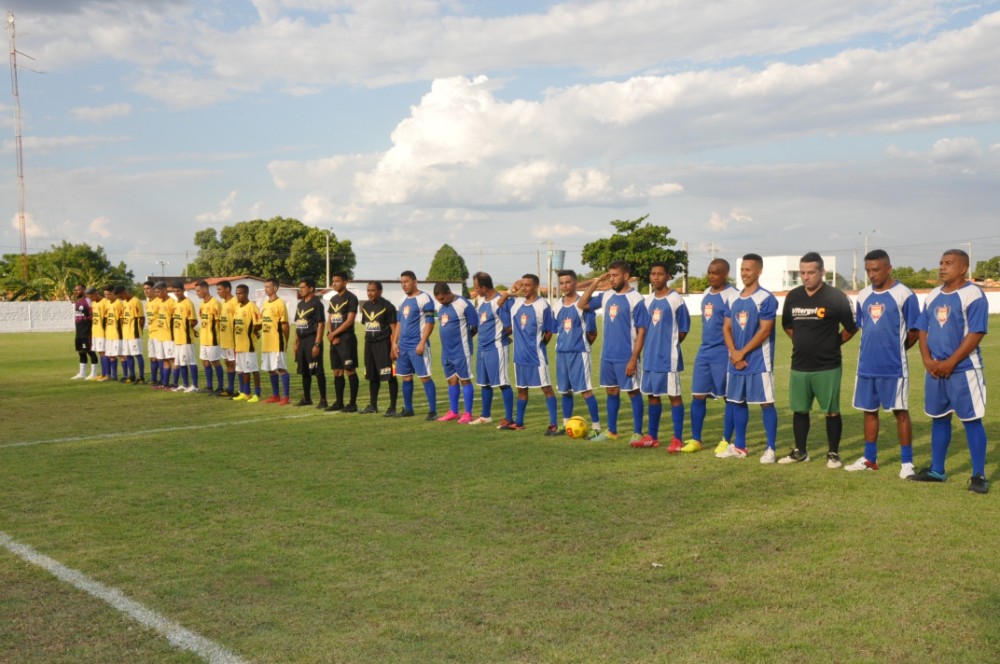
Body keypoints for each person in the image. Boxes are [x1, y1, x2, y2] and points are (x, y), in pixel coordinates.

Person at [910, 249, 990, 494]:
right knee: (939, 417)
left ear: (963, 268)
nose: (942, 267)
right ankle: (937, 470)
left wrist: (951, 362)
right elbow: (923, 329)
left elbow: (975, 333)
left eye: (949, 263)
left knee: (971, 420)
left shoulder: (973, 294)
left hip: (964, 369)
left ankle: (978, 475)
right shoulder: (933, 295)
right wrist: (927, 359)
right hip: (935, 369)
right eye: (941, 263)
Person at [779, 252, 858, 467]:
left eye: (811, 272)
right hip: (799, 364)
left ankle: (833, 453)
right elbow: (787, 325)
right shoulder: (793, 296)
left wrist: (833, 343)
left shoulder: (835, 296)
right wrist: (801, 342)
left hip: (828, 365)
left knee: (831, 411)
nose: (806, 277)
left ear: (822, 272)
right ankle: (800, 451)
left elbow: (851, 327)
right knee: (800, 409)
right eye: (802, 272)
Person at [847, 249, 920, 478]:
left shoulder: (904, 294)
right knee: (869, 412)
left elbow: (915, 331)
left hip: (894, 367)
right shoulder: (863, 295)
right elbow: (862, 326)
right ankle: (870, 459)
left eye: (876, 269)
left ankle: (907, 463)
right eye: (868, 270)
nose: (872, 274)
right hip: (866, 367)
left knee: (900, 412)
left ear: (889, 268)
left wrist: (896, 349)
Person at [578, 261, 648, 443]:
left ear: (625, 276)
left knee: (633, 392)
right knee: (611, 391)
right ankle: (612, 431)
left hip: (626, 355)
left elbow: (642, 331)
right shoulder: (606, 295)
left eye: (615, 275)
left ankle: (637, 432)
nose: (611, 279)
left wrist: (634, 359)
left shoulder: (636, 299)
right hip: (607, 355)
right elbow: (582, 303)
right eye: (609, 275)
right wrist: (595, 283)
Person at [719, 254, 779, 461]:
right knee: (736, 401)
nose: (744, 273)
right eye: (742, 269)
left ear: (759, 271)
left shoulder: (766, 298)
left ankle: (771, 449)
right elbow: (726, 327)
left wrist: (742, 353)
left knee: (766, 403)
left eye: (749, 270)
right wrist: (734, 354)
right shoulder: (733, 298)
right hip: (735, 360)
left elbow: (764, 331)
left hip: (759, 361)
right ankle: (740, 446)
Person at [683, 259, 739, 453]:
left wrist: (734, 352)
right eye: (709, 272)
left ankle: (726, 440)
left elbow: (734, 327)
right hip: (704, 351)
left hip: (723, 353)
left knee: (728, 397)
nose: (711, 276)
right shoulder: (706, 293)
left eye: (715, 273)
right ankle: (696, 439)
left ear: (726, 274)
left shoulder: (732, 295)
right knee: (697, 395)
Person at [635, 262, 690, 449]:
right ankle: (652, 436)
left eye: (660, 274)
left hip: (668, 359)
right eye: (653, 273)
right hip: (649, 357)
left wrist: (670, 345)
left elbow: (683, 329)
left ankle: (677, 438)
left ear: (668, 276)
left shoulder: (676, 299)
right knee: (652, 396)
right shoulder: (647, 301)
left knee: (674, 396)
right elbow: (642, 329)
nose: (656, 277)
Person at [500, 274, 558, 433]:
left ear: (536, 287)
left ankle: (553, 424)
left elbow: (549, 331)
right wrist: (512, 289)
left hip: (536, 356)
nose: (524, 288)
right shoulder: (517, 304)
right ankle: (519, 422)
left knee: (546, 388)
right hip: (519, 357)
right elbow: (500, 302)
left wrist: (540, 345)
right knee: (521, 389)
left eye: (527, 285)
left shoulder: (543, 306)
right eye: (522, 285)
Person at [553, 270, 601, 437]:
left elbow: (592, 332)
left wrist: (582, 345)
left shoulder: (584, 304)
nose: (565, 286)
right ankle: (565, 424)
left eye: (568, 282)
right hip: (561, 353)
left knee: (585, 390)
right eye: (562, 283)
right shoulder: (557, 305)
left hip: (579, 353)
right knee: (565, 391)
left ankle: (596, 427)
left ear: (575, 283)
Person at [391, 270, 439, 419]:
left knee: (424, 377)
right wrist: (394, 342)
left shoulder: (425, 298)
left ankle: (433, 411)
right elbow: (399, 323)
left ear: (415, 281)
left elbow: (431, 322)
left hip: (417, 346)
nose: (403, 285)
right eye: (401, 282)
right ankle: (408, 409)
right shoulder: (402, 300)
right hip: (403, 346)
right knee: (405, 377)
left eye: (406, 281)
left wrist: (422, 342)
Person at [469, 271, 514, 427]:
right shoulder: (481, 302)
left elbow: (509, 326)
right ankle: (485, 415)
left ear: (483, 287)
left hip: (496, 348)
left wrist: (501, 336)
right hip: (482, 348)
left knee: (502, 382)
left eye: (476, 287)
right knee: (484, 383)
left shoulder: (499, 302)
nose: (474, 291)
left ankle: (509, 418)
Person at [432, 282, 478, 423]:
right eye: (438, 299)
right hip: (446, 351)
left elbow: (475, 325)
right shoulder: (441, 307)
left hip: (461, 350)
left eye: (442, 298)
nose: (440, 302)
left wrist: (466, 338)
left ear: (448, 293)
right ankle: (453, 411)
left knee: (465, 380)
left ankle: (468, 414)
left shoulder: (463, 304)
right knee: (451, 381)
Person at [359, 281, 398, 415]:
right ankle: (373, 405)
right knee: (372, 375)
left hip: (384, 344)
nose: (370, 293)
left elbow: (394, 328)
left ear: (380, 291)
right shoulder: (366, 306)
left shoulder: (388, 306)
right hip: (369, 344)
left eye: (373, 290)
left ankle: (392, 407)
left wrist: (393, 347)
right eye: (368, 290)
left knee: (390, 376)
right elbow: (367, 324)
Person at [326, 271, 360, 413]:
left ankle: (352, 403)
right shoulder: (333, 299)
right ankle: (339, 402)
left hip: (346, 339)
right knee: (337, 371)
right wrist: (331, 335)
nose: (334, 284)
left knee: (349, 370)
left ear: (345, 282)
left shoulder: (351, 298)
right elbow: (330, 318)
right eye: (333, 281)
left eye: (337, 281)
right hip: (334, 340)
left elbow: (350, 320)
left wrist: (334, 333)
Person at [293, 277, 328, 408]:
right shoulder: (300, 304)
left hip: (312, 339)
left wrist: (317, 344)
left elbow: (321, 324)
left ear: (311, 288)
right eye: (300, 287)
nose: (300, 290)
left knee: (317, 370)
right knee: (304, 371)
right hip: (302, 341)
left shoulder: (317, 304)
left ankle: (323, 399)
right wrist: (295, 343)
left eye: (302, 287)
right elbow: (298, 324)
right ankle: (307, 398)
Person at [259, 278, 291, 405]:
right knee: (270, 369)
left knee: (281, 368)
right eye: (265, 286)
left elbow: (285, 324)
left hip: (277, 342)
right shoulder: (266, 303)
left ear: (275, 288)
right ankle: (275, 395)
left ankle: (286, 397)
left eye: (268, 287)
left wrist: (286, 340)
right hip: (266, 342)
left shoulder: (280, 303)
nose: (266, 289)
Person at [232, 284, 262, 403]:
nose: (238, 295)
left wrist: (253, 332)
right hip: (239, 344)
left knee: (253, 369)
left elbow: (259, 323)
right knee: (243, 370)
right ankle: (246, 393)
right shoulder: (237, 307)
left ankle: (257, 394)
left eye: (240, 293)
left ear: (246, 294)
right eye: (237, 293)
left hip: (249, 345)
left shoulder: (252, 307)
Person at [169, 280, 199, 392]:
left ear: (183, 291)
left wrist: (186, 328)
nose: (176, 293)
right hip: (178, 338)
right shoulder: (175, 303)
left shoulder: (188, 303)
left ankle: (195, 386)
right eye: (174, 291)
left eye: (178, 291)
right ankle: (185, 385)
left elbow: (194, 321)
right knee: (181, 362)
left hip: (186, 338)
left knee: (191, 361)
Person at [195, 280, 224, 395]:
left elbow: (219, 322)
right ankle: (209, 386)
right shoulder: (202, 304)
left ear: (205, 289)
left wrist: (216, 336)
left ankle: (220, 387)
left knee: (215, 362)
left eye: (198, 291)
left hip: (213, 339)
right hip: (204, 339)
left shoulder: (215, 303)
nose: (196, 293)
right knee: (205, 362)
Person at [117, 285, 145, 384]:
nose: (120, 298)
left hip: (134, 333)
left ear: (125, 292)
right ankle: (132, 376)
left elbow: (141, 318)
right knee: (128, 355)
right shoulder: (124, 303)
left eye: (121, 296)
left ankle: (141, 377)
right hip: (126, 334)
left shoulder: (136, 301)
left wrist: (139, 330)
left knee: (137, 354)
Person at [151, 282, 175, 390]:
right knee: (165, 360)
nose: (156, 294)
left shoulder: (172, 303)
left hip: (169, 337)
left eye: (158, 291)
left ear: (165, 290)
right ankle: (165, 383)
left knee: (172, 360)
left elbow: (174, 321)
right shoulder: (159, 302)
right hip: (160, 336)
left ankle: (174, 383)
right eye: (155, 292)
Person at [217, 280, 239, 397]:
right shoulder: (224, 303)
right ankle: (230, 388)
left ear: (228, 289)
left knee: (234, 363)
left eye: (220, 289)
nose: (218, 292)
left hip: (232, 340)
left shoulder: (235, 302)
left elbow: (237, 321)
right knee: (228, 363)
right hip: (224, 340)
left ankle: (239, 389)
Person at [71, 284, 97, 380]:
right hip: (79, 331)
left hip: (87, 331)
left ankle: (93, 373)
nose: (76, 292)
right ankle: (82, 373)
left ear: (83, 290)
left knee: (90, 351)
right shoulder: (78, 302)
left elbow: (92, 315)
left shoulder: (88, 301)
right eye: (75, 290)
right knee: (81, 352)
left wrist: (88, 326)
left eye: (78, 290)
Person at [142, 280, 162, 387]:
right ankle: (154, 378)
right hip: (151, 333)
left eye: (148, 289)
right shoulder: (148, 303)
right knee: (152, 357)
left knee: (159, 357)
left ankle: (163, 379)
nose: (146, 291)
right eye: (144, 289)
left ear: (153, 289)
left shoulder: (159, 301)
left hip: (159, 333)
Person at [102, 285, 123, 382]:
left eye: (109, 294)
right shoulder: (107, 303)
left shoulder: (119, 303)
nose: (107, 296)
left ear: (114, 293)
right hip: (109, 333)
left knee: (119, 355)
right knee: (110, 355)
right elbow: (106, 318)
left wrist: (120, 334)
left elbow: (120, 320)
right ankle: (111, 375)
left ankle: (124, 375)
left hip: (116, 334)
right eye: (105, 294)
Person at [89, 287, 108, 381]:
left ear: (96, 293)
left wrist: (105, 331)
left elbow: (106, 318)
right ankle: (103, 373)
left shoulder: (105, 302)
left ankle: (107, 374)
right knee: (100, 353)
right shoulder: (93, 303)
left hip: (102, 332)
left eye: (92, 296)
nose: (91, 299)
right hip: (95, 332)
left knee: (104, 353)